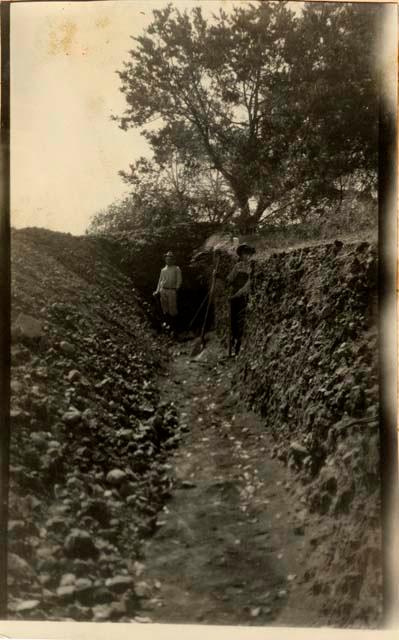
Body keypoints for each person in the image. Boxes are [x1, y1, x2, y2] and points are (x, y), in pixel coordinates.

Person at [227, 243, 256, 355]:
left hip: (243, 297)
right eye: (244, 254)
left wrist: (237, 294)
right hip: (234, 296)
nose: (246, 256)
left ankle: (239, 346)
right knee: (233, 321)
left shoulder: (252, 266)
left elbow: (248, 285)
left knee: (241, 321)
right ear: (241, 255)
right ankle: (234, 343)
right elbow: (230, 278)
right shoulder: (238, 266)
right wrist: (224, 279)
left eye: (248, 253)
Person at [153, 251, 182, 335]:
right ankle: (168, 326)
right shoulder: (163, 270)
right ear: (165, 259)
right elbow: (160, 281)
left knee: (173, 309)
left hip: (172, 290)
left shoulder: (176, 268)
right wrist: (157, 291)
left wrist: (177, 288)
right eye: (167, 258)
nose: (168, 260)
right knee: (165, 308)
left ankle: (175, 328)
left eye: (170, 259)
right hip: (163, 290)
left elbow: (179, 279)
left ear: (173, 260)